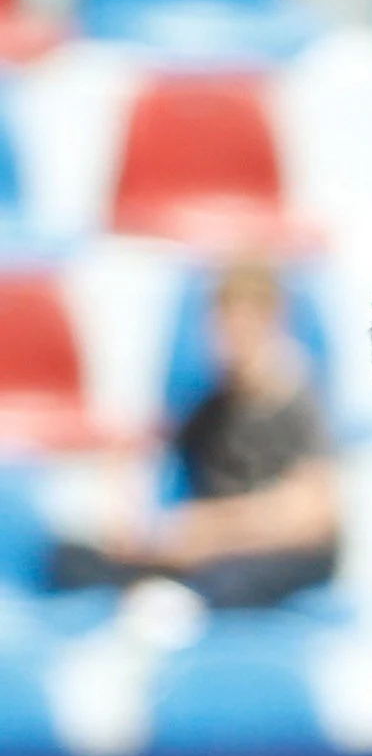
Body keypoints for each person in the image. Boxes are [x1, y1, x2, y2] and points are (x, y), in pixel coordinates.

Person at [52, 258, 339, 610]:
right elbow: (139, 464)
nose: (233, 337)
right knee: (71, 560)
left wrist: (212, 531)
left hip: (265, 558)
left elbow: (314, 518)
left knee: (228, 583)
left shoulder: (297, 399)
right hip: (204, 559)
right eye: (225, 322)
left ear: (272, 321)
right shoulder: (209, 408)